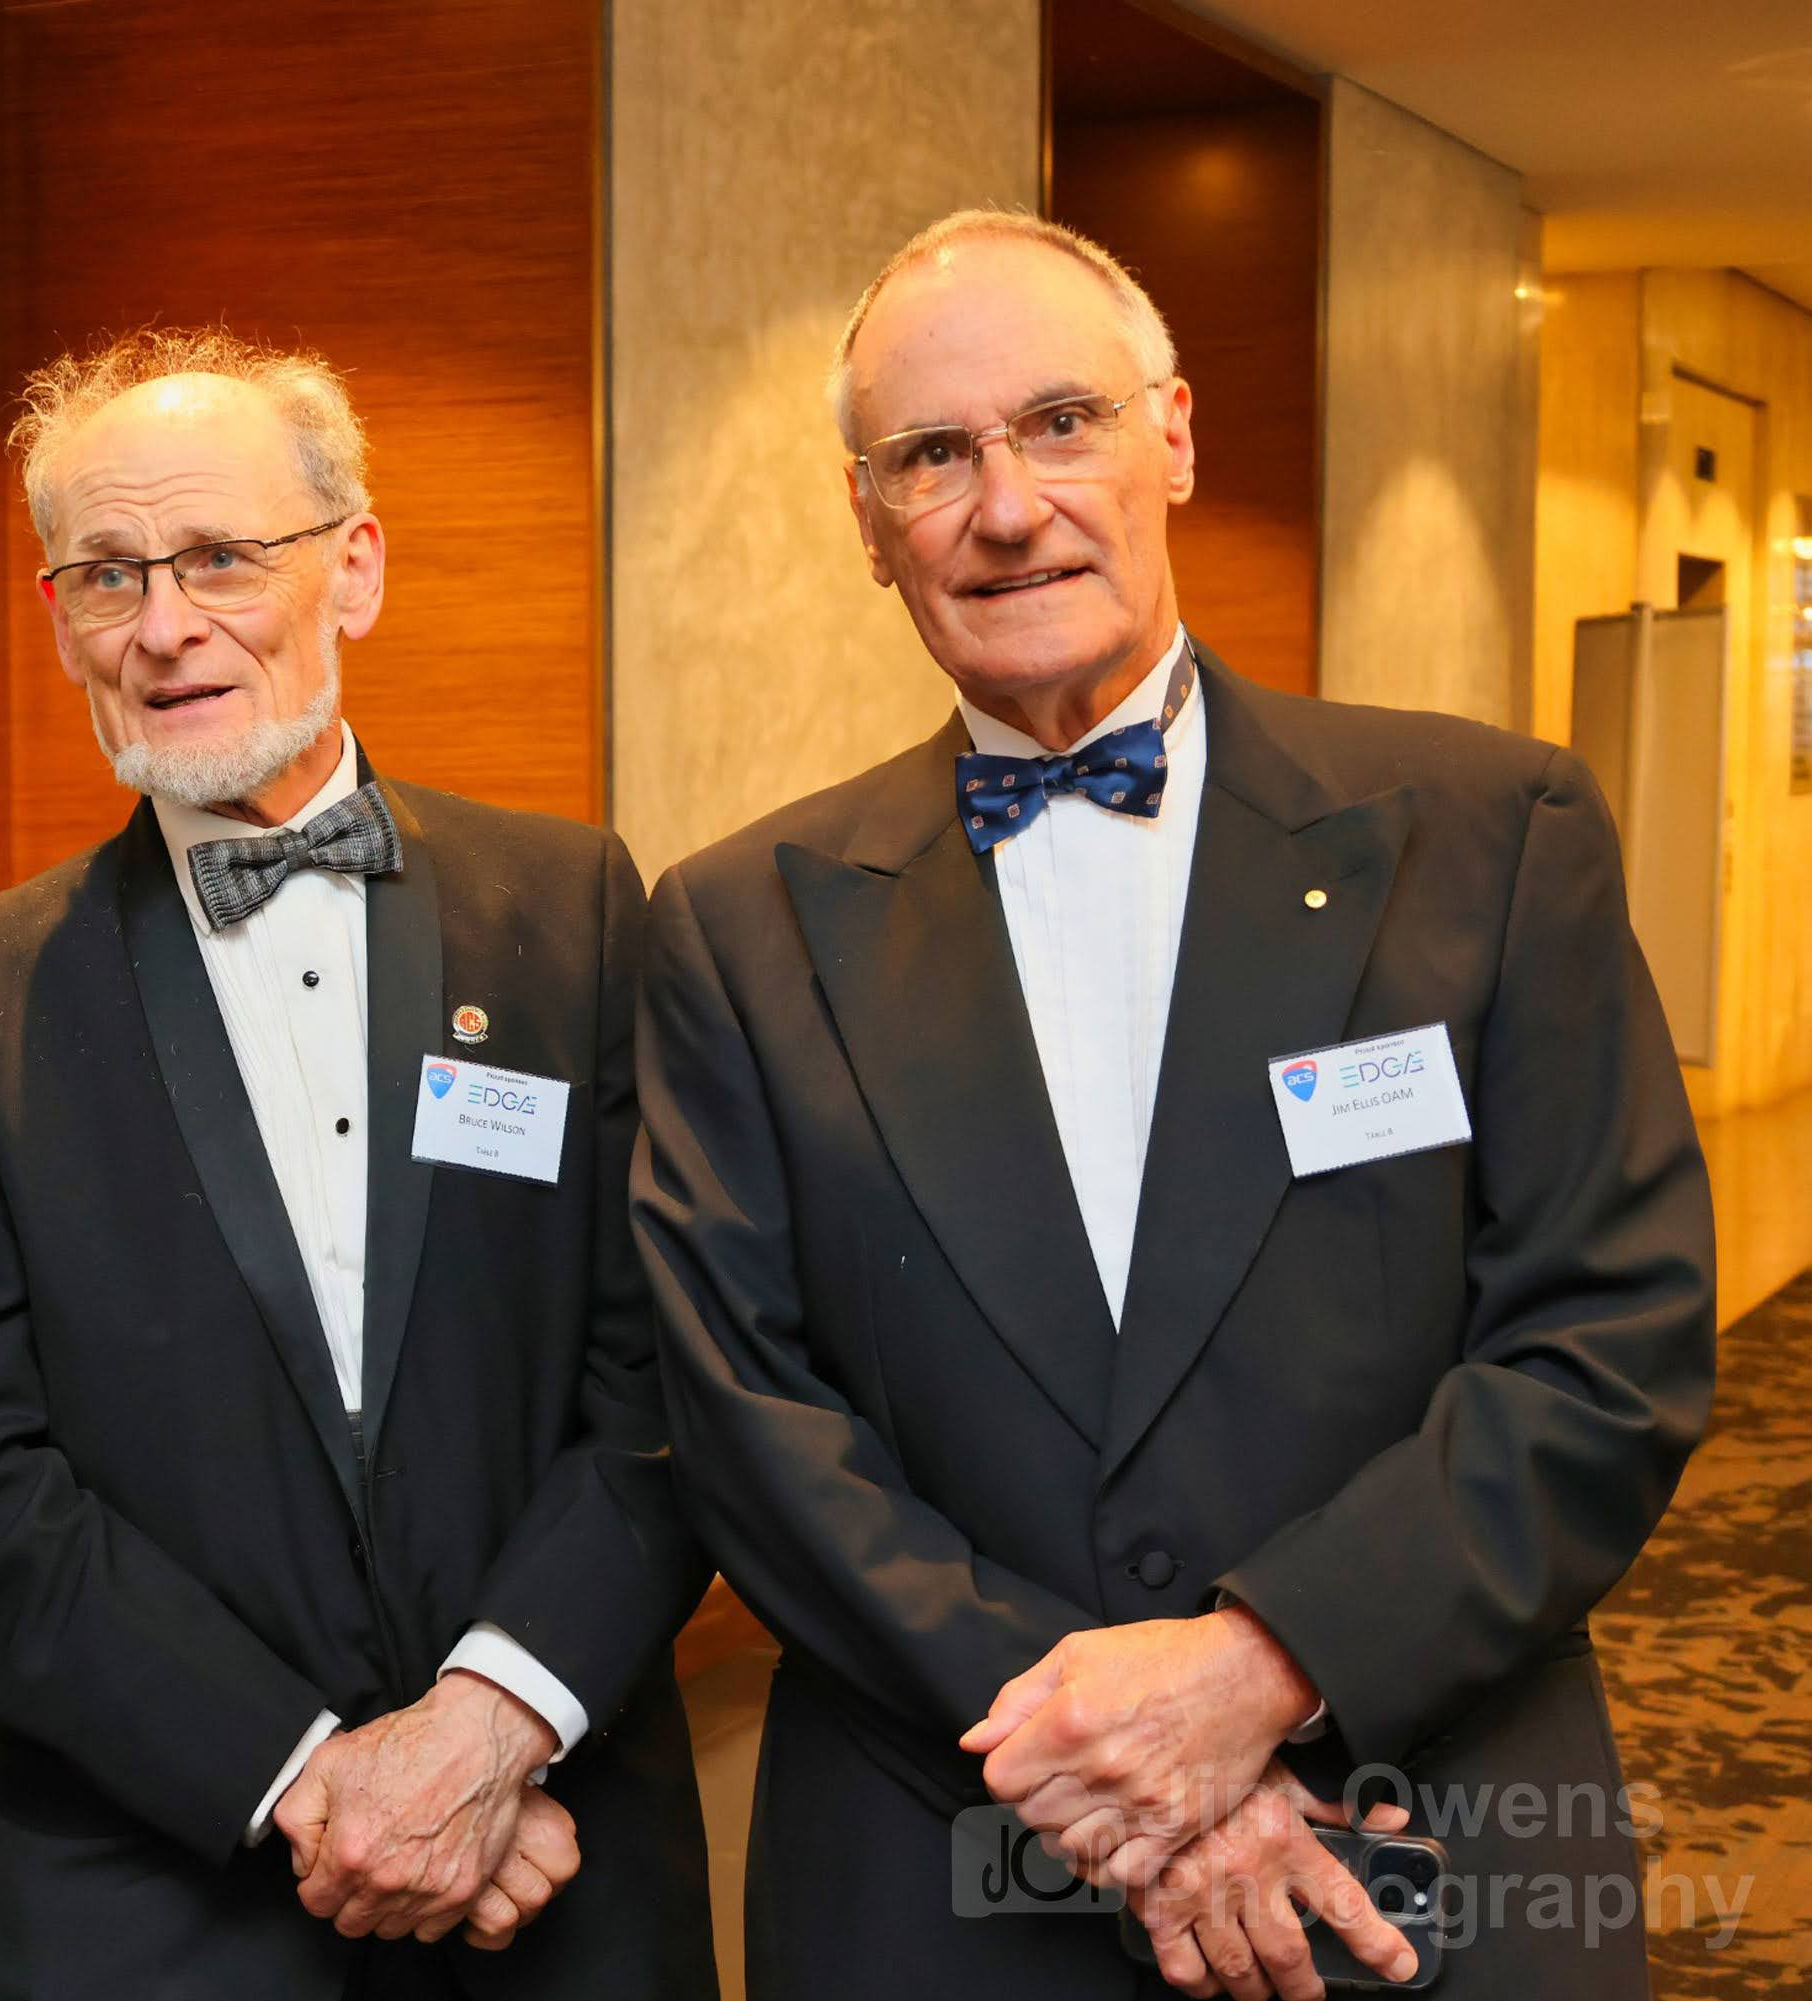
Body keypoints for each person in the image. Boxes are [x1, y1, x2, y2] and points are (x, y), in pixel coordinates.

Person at [633, 210, 1714, 2001]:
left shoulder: (1492, 836)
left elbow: (1611, 1336)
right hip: (948, 1851)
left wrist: (1261, 1668)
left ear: (1177, 439)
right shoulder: (737, 926)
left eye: (1064, 422)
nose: (1007, 505)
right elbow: (751, 1421)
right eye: (931, 456)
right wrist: (1112, 1761)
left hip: (1417, 1822)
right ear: (868, 524)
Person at [0, 329, 717, 1998]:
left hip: (558, 1877)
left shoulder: (578, 916)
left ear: (357, 569)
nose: (165, 625)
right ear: (56, 618)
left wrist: (486, 1728)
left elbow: (668, 1385)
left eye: (221, 558)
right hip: (160, 1907)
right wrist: (329, 1789)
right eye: (108, 576)